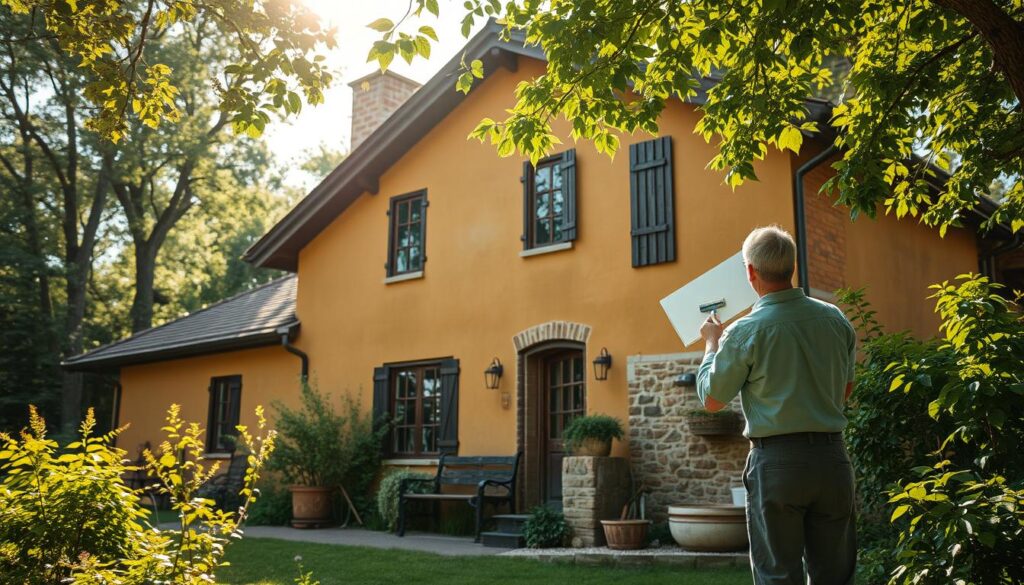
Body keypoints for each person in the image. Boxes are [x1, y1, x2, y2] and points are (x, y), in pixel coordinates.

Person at [695, 225, 857, 585]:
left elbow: (712, 399)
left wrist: (711, 344)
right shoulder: (836, 320)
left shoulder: (744, 331)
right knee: (835, 577)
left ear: (751, 271)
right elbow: (845, 391)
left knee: (778, 577)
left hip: (777, 464)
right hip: (832, 460)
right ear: (792, 266)